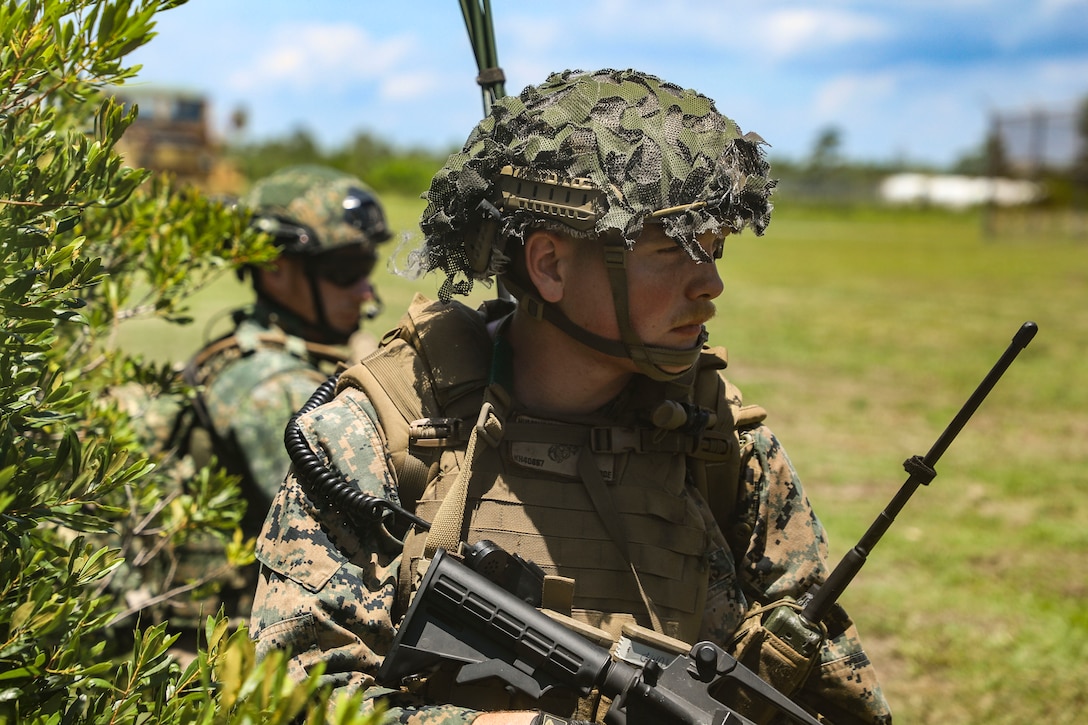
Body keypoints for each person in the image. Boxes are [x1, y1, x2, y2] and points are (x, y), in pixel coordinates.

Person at [250, 69, 892, 724]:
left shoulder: (719, 441)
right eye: (674, 249)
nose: (710, 284)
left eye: (717, 249)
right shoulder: (380, 434)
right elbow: (290, 698)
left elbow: (840, 701)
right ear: (550, 265)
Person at [165, 164, 392, 624]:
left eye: (367, 266)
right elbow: (362, 540)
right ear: (274, 270)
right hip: (215, 653)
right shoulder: (276, 388)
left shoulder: (258, 349)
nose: (365, 291)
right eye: (344, 270)